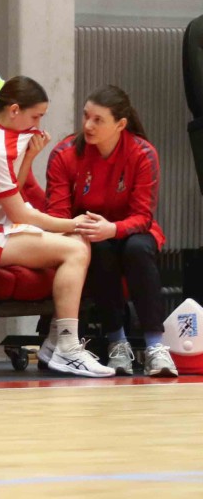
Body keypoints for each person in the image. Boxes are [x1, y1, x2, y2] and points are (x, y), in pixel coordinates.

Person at [0, 75, 114, 377]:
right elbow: (20, 213)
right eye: (36, 117)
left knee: (77, 242)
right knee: (74, 248)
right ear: (14, 110)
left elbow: (11, 192)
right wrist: (72, 221)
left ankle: (56, 342)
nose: (38, 124)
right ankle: (67, 348)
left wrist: (30, 155)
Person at [45, 85, 176, 377]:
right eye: (86, 116)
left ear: (120, 124)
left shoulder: (143, 153)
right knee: (99, 249)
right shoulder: (65, 154)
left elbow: (143, 216)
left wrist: (113, 228)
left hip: (130, 228)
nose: (88, 125)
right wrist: (86, 228)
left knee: (138, 249)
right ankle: (117, 342)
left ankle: (156, 346)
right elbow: (57, 215)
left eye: (98, 120)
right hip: (87, 230)